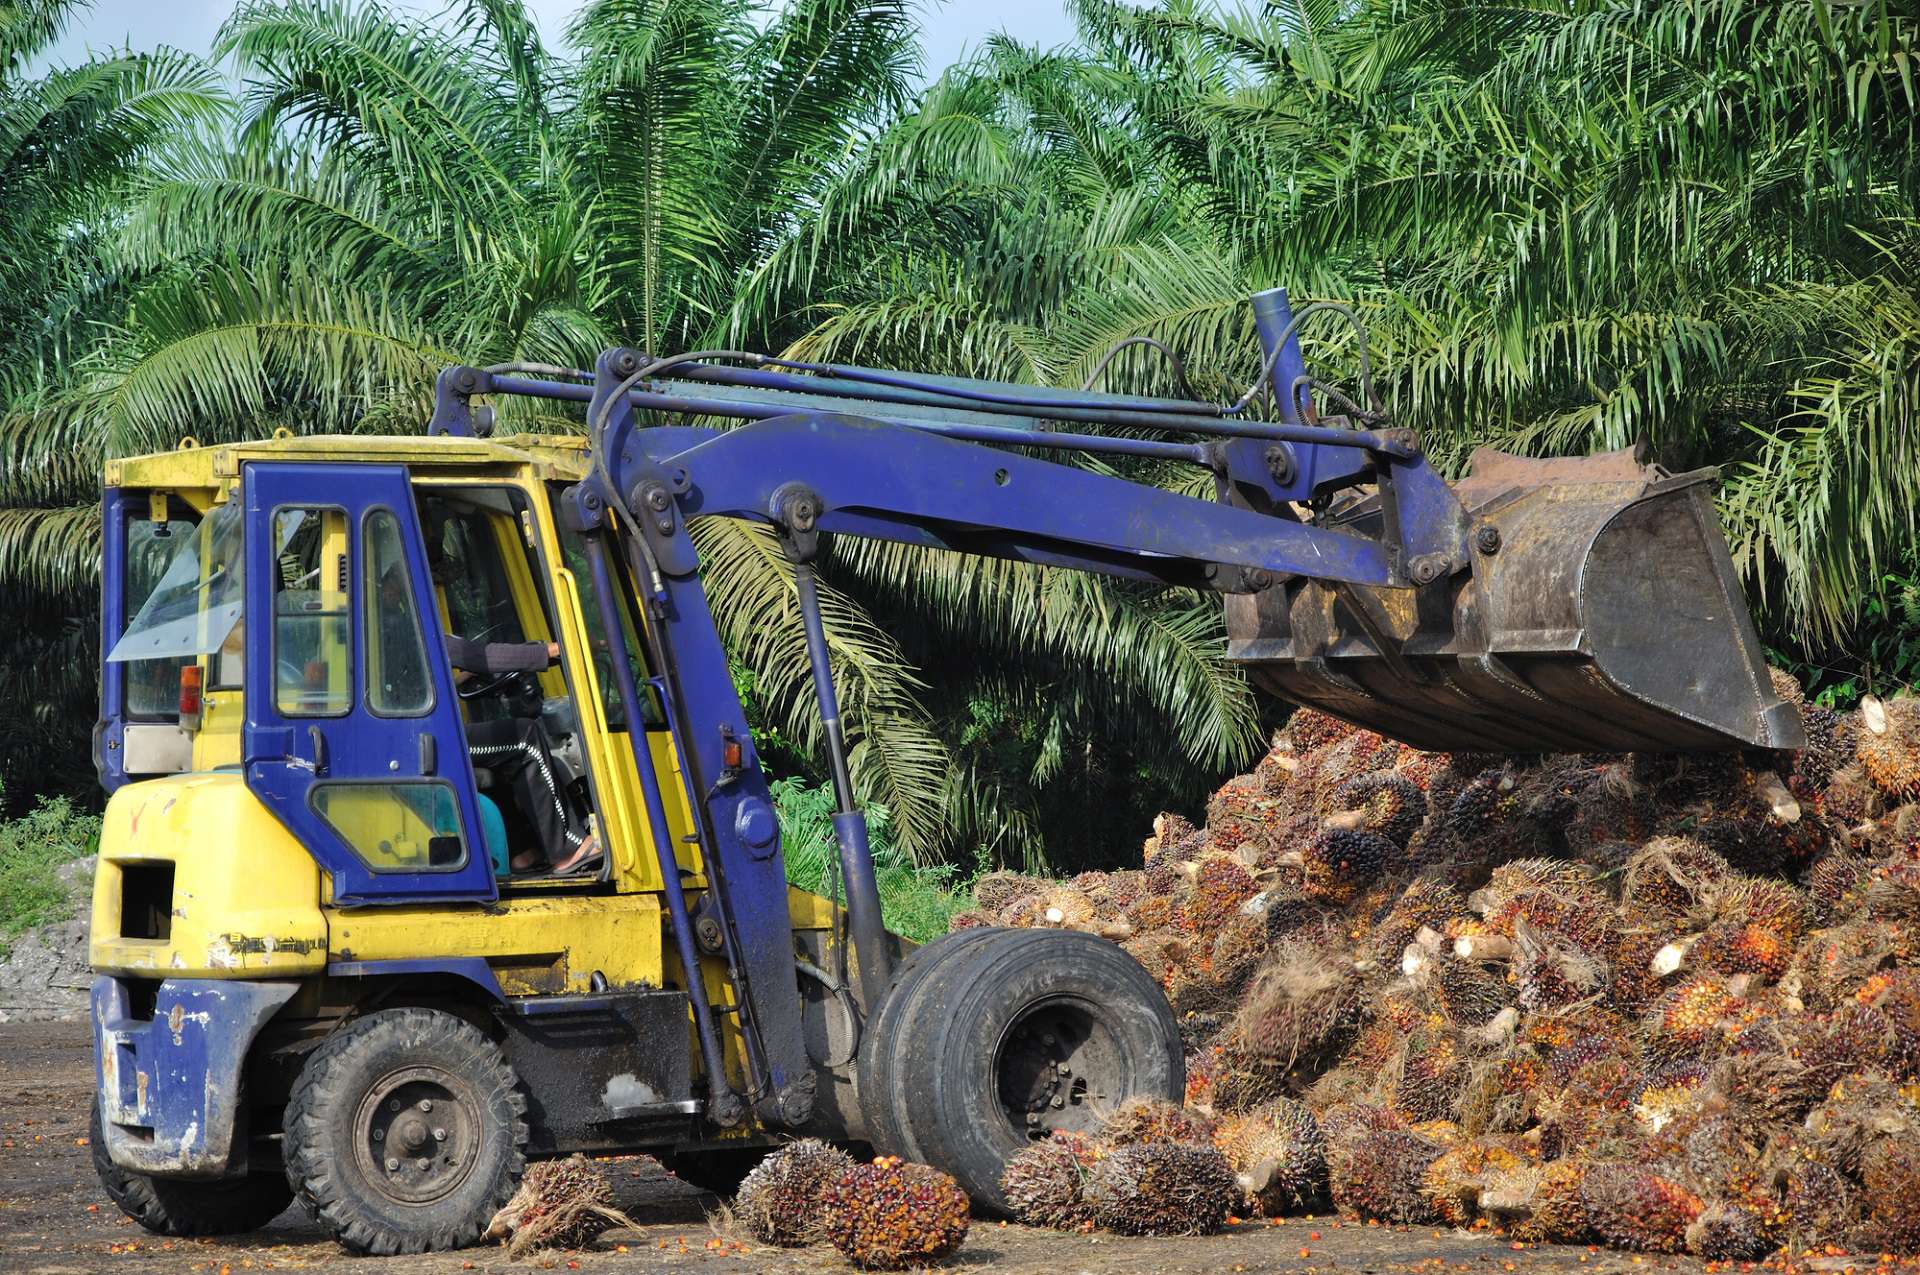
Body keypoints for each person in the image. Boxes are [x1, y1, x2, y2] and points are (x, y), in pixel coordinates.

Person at [446, 635, 602, 876]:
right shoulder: (411, 621)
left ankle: (522, 849)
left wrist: (463, 678)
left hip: (419, 740)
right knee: (524, 737)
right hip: (431, 742)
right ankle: (566, 850)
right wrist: (549, 650)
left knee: (501, 750)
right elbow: (483, 656)